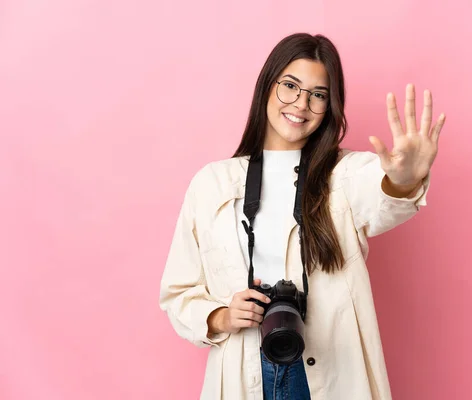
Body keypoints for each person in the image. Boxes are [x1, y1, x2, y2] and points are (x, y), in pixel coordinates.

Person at [159, 32, 445, 400]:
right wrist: (223, 317)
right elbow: (178, 292)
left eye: (318, 95)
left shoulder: (342, 174)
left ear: (330, 106)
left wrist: (404, 180)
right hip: (245, 371)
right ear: (267, 86)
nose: (301, 103)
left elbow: (381, 194)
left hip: (327, 373)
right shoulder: (212, 183)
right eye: (290, 86)